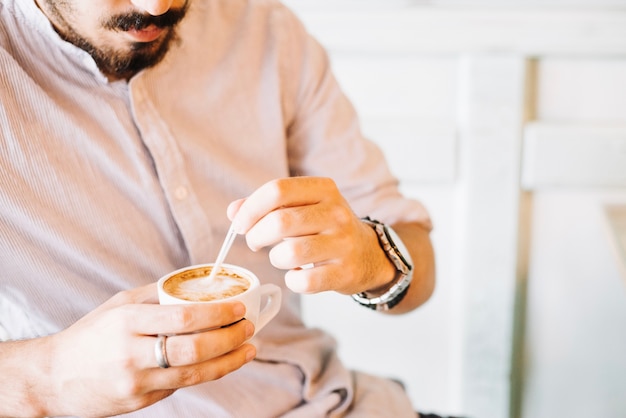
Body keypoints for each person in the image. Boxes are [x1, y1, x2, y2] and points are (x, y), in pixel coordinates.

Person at [0, 0, 441, 416]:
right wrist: (50, 377)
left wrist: (370, 257)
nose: (157, 7)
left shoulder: (263, 29)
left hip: (333, 402)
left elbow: (417, 263)